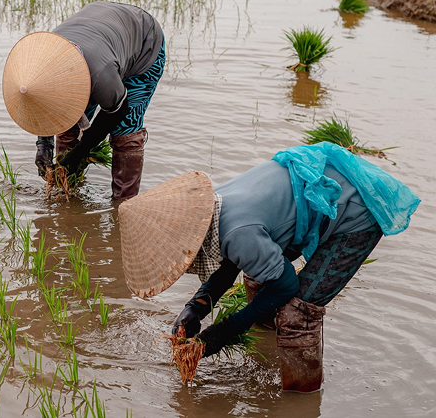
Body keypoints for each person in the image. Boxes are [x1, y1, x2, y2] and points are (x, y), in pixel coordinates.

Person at [117, 143, 420, 392]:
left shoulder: (238, 232)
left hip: (356, 211)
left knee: (297, 313)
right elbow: (233, 257)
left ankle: (301, 396)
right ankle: (269, 352)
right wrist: (196, 307)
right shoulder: (213, 206)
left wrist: (225, 331)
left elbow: (284, 283)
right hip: (317, 191)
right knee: (259, 276)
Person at [2, 1, 165, 201]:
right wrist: (43, 146)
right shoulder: (41, 64)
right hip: (101, 34)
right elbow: (44, 102)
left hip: (143, 42)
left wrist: (80, 152)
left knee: (125, 131)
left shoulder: (99, 74)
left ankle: (123, 205)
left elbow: (118, 110)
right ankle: (66, 190)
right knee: (68, 124)